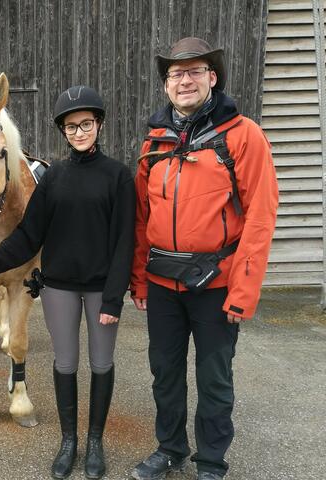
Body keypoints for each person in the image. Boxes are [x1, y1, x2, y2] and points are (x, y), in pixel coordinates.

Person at [130, 38, 278, 480]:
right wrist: (139, 280)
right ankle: (170, 447)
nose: (185, 80)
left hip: (217, 283)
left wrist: (244, 291)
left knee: (214, 381)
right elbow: (142, 218)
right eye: (176, 74)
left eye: (194, 71)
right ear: (166, 86)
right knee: (164, 374)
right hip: (162, 285)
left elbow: (261, 215)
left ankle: (211, 461)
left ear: (212, 78)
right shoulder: (154, 142)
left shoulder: (242, 135)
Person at [0, 86, 135, 479]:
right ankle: (69, 442)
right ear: (63, 131)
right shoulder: (55, 177)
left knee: (100, 362)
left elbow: (125, 241)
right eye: (71, 127)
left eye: (86, 124)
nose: (79, 132)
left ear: (98, 124)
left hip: (100, 290)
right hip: (59, 287)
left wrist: (114, 299)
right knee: (65, 363)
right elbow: (29, 236)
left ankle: (94, 442)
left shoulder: (118, 176)